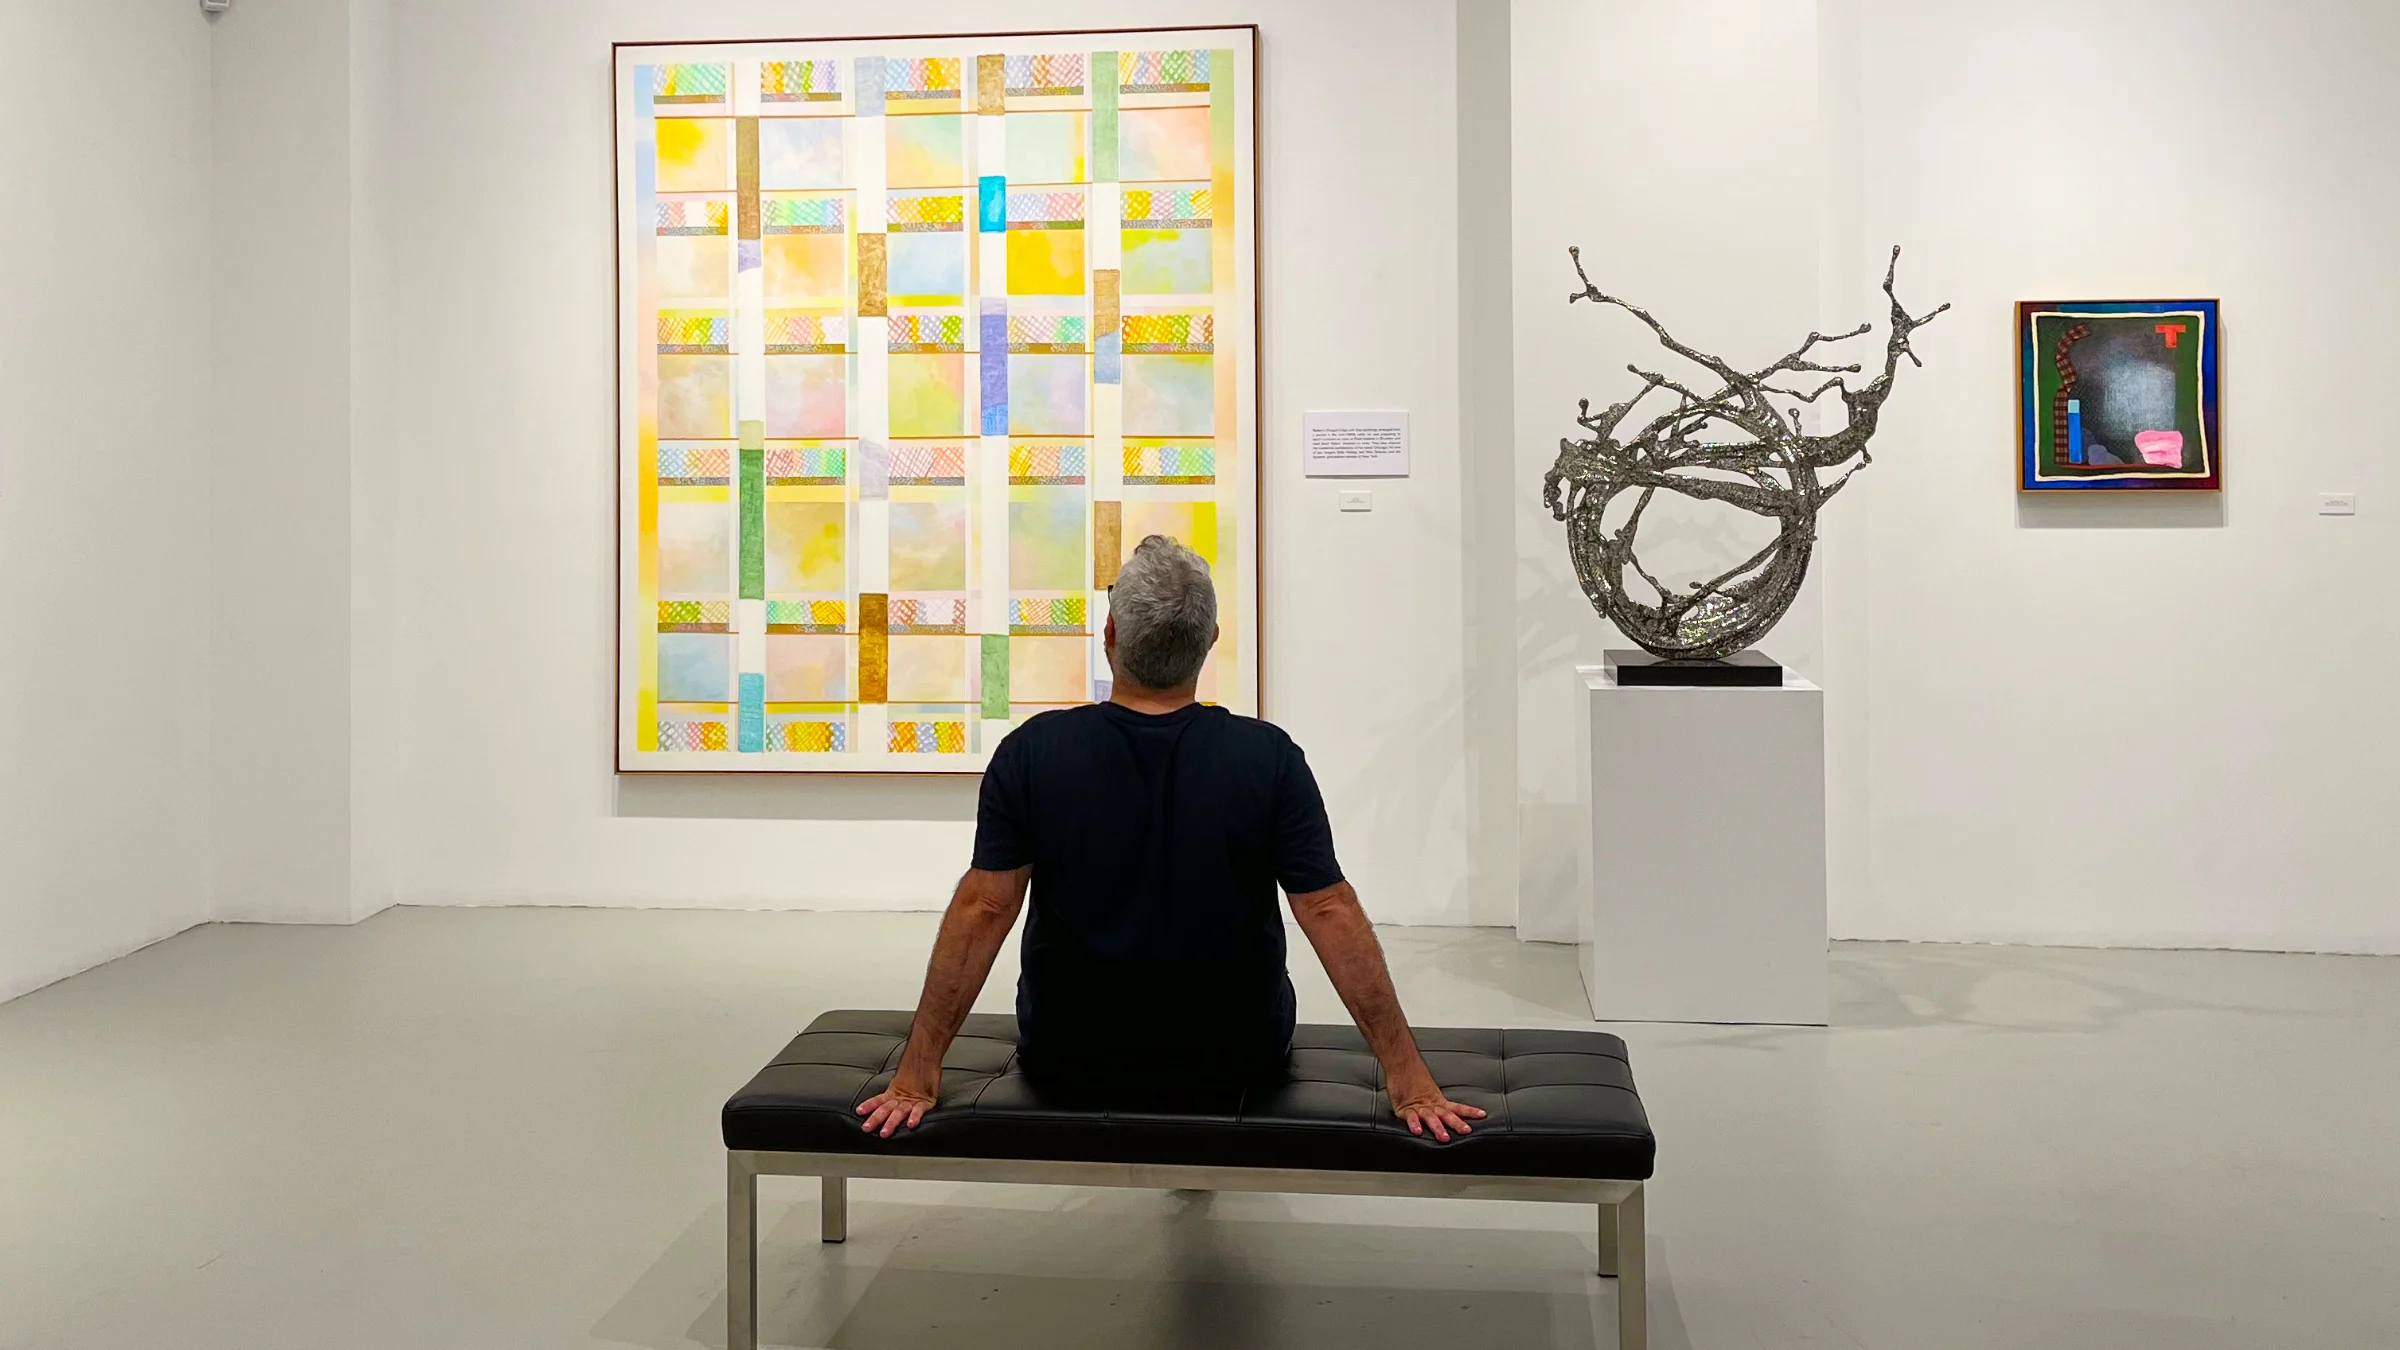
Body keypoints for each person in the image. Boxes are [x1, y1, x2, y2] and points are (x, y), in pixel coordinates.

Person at [857, 535, 1487, 1143]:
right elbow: (1327, 910)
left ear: (1109, 637)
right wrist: (1409, 1078)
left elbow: (985, 908)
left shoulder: (1032, 752)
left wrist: (917, 1074)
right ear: (1210, 641)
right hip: (1240, 1055)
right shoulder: (1268, 758)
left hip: (1069, 1053)